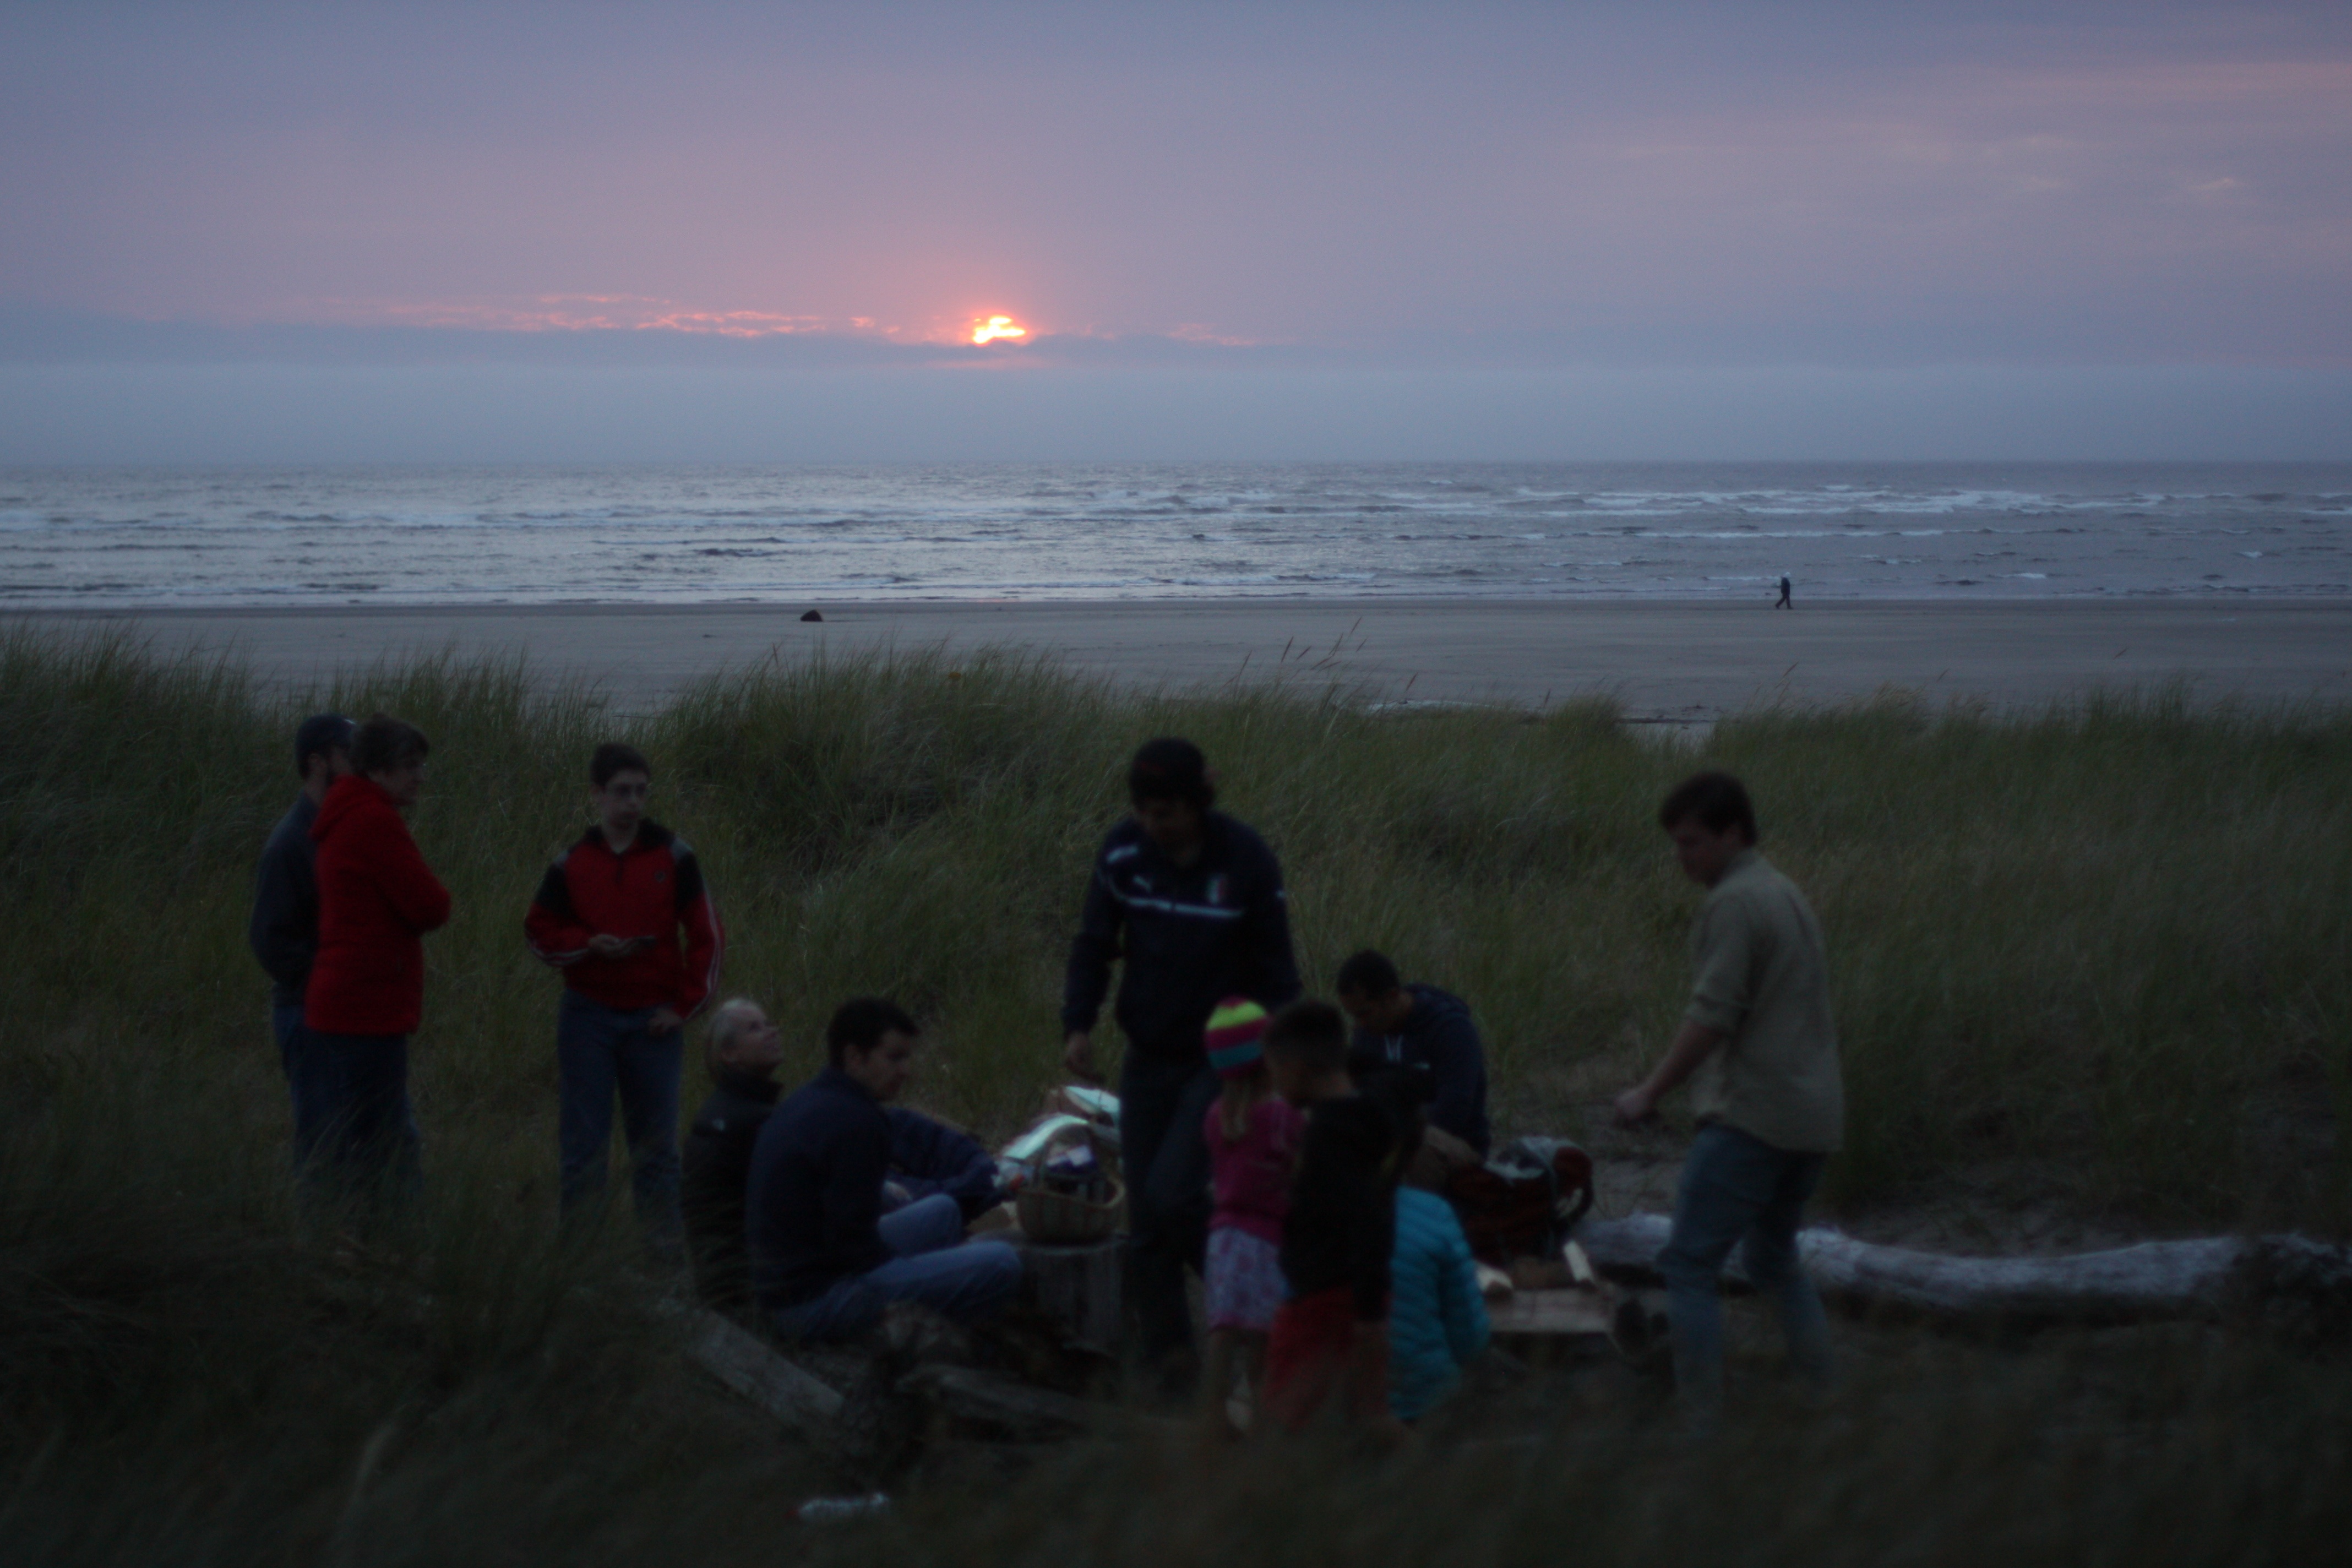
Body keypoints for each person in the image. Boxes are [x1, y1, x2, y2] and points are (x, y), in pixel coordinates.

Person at [1061, 737, 1301, 1382]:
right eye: (1142, 810)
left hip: (1221, 1063)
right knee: (1145, 1228)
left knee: (1173, 1194)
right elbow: (1094, 942)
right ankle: (1173, 1371)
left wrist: (1273, 1063)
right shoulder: (1123, 852)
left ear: (1199, 799)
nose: (1152, 824)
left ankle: (1260, 1299)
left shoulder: (1246, 860)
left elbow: (1279, 975)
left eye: (1165, 812)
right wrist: (1078, 1023)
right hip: (1147, 1055)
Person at [1614, 771, 1842, 1413]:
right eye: (1676, 842)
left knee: (1688, 1265)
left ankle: (1701, 1428)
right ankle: (1827, 1397)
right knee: (1773, 1261)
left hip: (1752, 1118)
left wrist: (1649, 1091)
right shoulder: (1784, 891)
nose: (1680, 856)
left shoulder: (1735, 903)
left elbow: (1712, 1016)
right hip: (1813, 1119)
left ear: (1733, 833)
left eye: (1691, 842)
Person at [525, 743, 724, 1242]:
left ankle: (664, 1263)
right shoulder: (573, 863)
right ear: (597, 794)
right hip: (587, 1017)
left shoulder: (674, 856)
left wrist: (684, 1008)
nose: (632, 802)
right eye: (621, 792)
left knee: (656, 1150)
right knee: (583, 1148)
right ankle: (583, 1260)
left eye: (641, 792)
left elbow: (707, 935)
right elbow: (539, 932)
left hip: (653, 1022)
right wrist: (587, 945)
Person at [747, 998, 1023, 1342]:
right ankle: (944, 1344)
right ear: (854, 1057)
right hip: (814, 1299)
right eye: (894, 1058)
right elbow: (856, 1250)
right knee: (1002, 1263)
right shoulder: (855, 1123)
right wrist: (909, 1271)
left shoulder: (812, 1099)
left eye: (906, 1058)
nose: (905, 1071)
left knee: (944, 1210)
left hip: (805, 1273)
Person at [305, 713, 449, 1196]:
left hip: (341, 1001)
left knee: (360, 1131)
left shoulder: (343, 813)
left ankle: (351, 1226)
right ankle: (386, 1231)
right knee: (385, 1140)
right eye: (410, 766)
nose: (420, 777)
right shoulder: (374, 820)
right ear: (378, 770)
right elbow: (431, 905)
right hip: (367, 1004)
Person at [1259, 999, 1409, 1442]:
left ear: (1295, 1068)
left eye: (1276, 1070)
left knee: (1283, 1431)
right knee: (1361, 1423)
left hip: (1321, 1301)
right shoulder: (1373, 1114)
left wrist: (1368, 1313)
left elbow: (1365, 1218)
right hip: (1355, 1295)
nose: (1274, 1083)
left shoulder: (1328, 1135)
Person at [248, 712, 353, 1162]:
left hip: (347, 1015)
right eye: (348, 754)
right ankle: (317, 1210)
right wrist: (326, 983)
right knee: (322, 1144)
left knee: (364, 1139)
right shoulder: (289, 843)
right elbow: (269, 940)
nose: (360, 764)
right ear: (317, 763)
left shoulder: (341, 829)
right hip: (308, 1016)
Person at [1197, 997, 1304, 1436]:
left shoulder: (1216, 1117)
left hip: (1223, 1239)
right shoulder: (1281, 1117)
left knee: (1222, 1333)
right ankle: (1262, 1423)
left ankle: (1210, 1418)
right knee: (1263, 1337)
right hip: (1266, 1240)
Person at [1334, 949, 1491, 1157]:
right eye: (1354, 1016)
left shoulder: (1451, 1030)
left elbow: (1453, 1112)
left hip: (1454, 1144)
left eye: (1364, 1013)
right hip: (1391, 1139)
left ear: (1392, 996)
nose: (1359, 1024)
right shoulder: (1366, 1034)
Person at [681, 997, 785, 1311]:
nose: (772, 1032)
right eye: (755, 1028)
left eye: (768, 1024)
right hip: (757, 1287)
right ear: (729, 1054)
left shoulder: (720, 1112)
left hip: (721, 1282)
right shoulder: (753, 1122)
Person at [1387, 1175, 1490, 1424]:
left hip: (1325, 1407)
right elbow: (1470, 1338)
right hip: (1424, 1399)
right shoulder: (1432, 1212)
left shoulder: (1304, 1213)